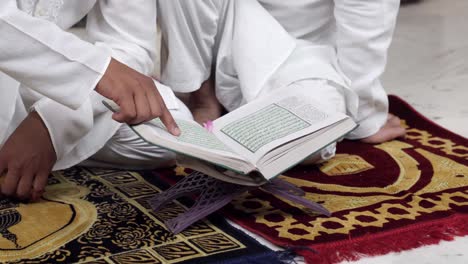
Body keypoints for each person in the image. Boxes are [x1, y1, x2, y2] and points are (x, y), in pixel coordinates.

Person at [0, 0, 185, 201]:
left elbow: (130, 45)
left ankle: (35, 149)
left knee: (174, 135)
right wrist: (94, 70)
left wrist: (51, 124)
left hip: (51, 78)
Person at [157, 0, 406, 145]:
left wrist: (363, 114)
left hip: (303, 55)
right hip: (227, 29)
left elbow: (368, 13)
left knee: (307, 141)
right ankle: (201, 97)